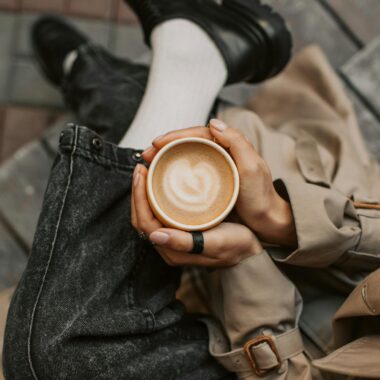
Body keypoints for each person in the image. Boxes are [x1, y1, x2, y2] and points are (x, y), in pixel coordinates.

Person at [2, 1, 380, 379]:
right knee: (172, 144)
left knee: (58, 355)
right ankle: (122, 73)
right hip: (338, 254)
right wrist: (281, 219)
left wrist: (245, 262)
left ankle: (120, 72)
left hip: (278, 361)